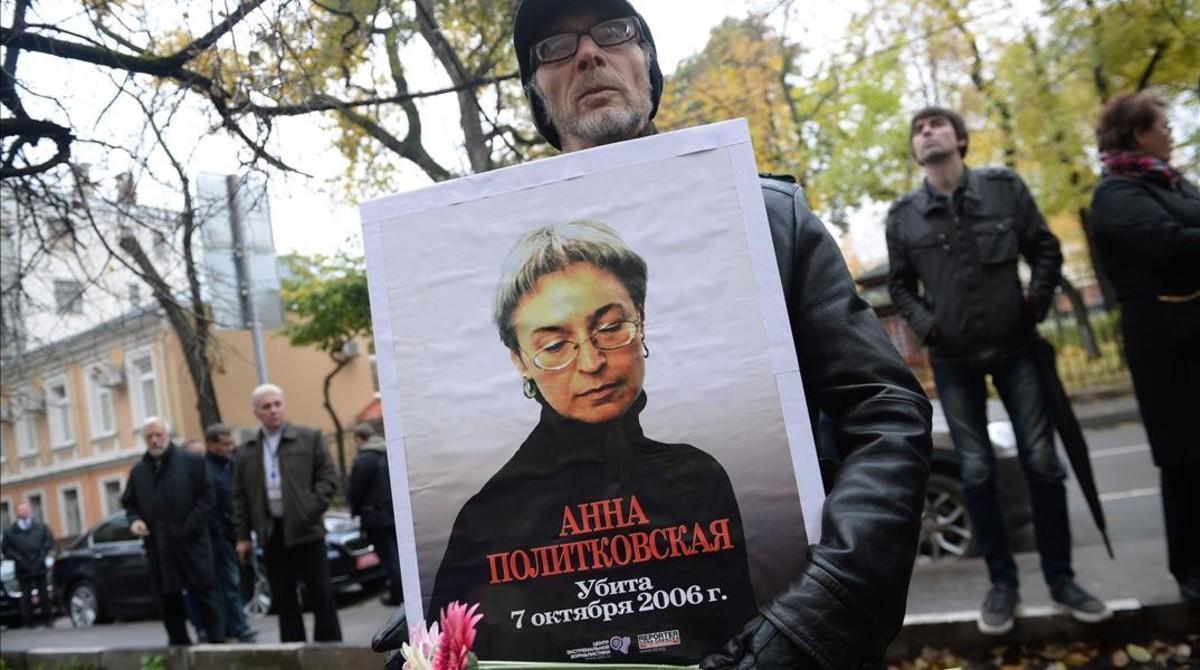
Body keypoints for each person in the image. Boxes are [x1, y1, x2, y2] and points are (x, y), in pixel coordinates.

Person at [431, 2, 931, 666]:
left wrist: (830, 606)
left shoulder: (767, 217)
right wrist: (440, 631)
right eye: (554, 46)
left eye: (613, 33)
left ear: (648, 65)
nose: (587, 54)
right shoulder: (484, 521)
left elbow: (885, 412)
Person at [428, 221, 757, 661]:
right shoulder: (488, 520)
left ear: (642, 320)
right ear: (520, 361)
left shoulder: (700, 478)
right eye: (554, 345)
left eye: (610, 326)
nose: (591, 361)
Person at [886, 105, 1111, 635]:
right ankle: (1002, 586)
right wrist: (930, 326)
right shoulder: (903, 216)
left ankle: (1062, 580)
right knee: (979, 471)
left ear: (959, 139)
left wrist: (1032, 303)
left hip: (1017, 353)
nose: (927, 132)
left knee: (1040, 461)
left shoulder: (1004, 189)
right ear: (916, 150)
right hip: (954, 361)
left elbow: (1045, 249)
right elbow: (900, 286)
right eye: (919, 130)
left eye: (937, 125)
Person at [1090, 91, 1200, 606]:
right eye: (1164, 126)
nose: (1171, 135)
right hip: (1163, 344)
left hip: (1190, 330)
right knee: (1184, 459)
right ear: (1140, 134)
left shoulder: (1172, 182)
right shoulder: (1116, 193)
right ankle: (1191, 571)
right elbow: (1171, 244)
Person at [233, 383, 342, 642]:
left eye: (277, 404)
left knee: (320, 592)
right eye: (266, 407)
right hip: (272, 532)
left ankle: (330, 647)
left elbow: (328, 479)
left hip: (307, 529)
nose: (273, 411)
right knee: (284, 596)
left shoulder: (309, 437)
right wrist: (243, 536)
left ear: (284, 405)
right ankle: (293, 649)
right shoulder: (247, 450)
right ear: (257, 413)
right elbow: (239, 497)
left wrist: (309, 509)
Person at [121, 417, 225, 645]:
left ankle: (217, 645)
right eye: (149, 436)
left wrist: (188, 528)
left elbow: (207, 499)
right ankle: (178, 646)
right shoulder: (139, 471)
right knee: (169, 599)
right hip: (158, 546)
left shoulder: (191, 462)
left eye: (158, 435)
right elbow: (130, 503)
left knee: (205, 595)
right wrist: (135, 520)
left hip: (192, 543)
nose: (154, 440)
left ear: (168, 435)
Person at [202, 423, 259, 641]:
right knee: (229, 582)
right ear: (211, 444)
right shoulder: (206, 469)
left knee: (243, 579)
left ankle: (232, 623)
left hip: (238, 532)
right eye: (224, 444)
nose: (229, 447)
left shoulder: (232, 465)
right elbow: (213, 504)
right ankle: (238, 626)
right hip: (221, 535)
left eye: (231, 443)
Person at [347, 423, 403, 608]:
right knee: (399, 555)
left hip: (375, 517)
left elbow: (355, 491)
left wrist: (355, 511)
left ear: (360, 439)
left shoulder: (364, 460)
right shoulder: (390, 452)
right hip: (396, 513)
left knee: (389, 558)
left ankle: (399, 594)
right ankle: (401, 593)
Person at [1, 501, 55, 628]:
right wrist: (19, 559)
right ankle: (29, 621)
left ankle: (48, 619)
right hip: (22, 568)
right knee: (25, 595)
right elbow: (7, 549)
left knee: (43, 593)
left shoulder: (40, 527)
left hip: (39, 565)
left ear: (29, 510)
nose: (24, 512)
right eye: (21, 510)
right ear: (17, 512)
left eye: (25, 509)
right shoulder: (10, 531)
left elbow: (47, 542)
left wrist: (41, 557)